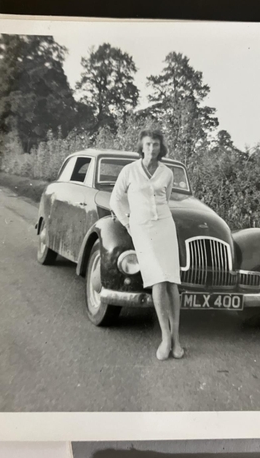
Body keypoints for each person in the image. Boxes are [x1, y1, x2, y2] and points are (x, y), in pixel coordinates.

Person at [110, 129, 184, 361]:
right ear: (141, 147)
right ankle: (164, 338)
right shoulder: (129, 170)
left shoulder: (167, 172)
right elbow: (115, 199)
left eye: (156, 145)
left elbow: (166, 198)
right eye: (148, 144)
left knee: (172, 281)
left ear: (161, 148)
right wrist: (128, 222)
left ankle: (176, 339)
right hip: (141, 229)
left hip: (164, 227)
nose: (152, 149)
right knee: (158, 281)